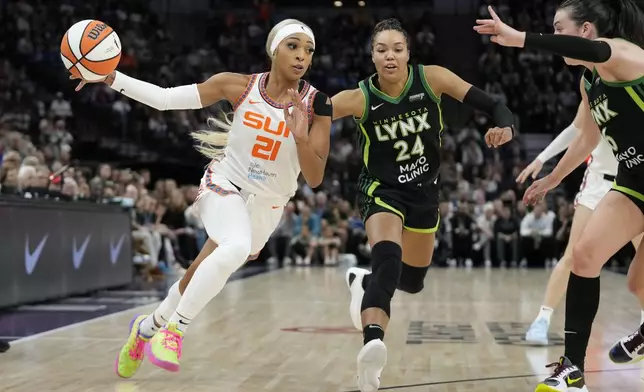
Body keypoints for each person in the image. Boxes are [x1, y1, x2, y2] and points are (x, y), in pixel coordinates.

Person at [69, 19, 333, 377]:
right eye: (293, 46)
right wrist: (112, 78)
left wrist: (300, 137)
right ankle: (176, 330)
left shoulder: (317, 104)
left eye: (309, 50)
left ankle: (146, 329)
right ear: (274, 49)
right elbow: (164, 99)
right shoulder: (238, 86)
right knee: (236, 246)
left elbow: (315, 178)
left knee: (197, 274)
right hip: (225, 184)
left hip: (268, 206)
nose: (302, 56)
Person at [330, 18, 515, 392]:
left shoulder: (432, 79)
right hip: (381, 190)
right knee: (387, 259)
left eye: (397, 48)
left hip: (424, 193)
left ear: (408, 53)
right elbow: (311, 112)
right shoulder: (360, 97)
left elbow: (493, 104)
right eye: (381, 50)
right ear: (372, 56)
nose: (390, 56)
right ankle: (372, 346)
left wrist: (506, 126)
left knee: (412, 282)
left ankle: (361, 281)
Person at [475, 1, 644, 391]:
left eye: (558, 28)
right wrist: (551, 178)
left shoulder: (622, 52)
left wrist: (521, 38)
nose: (553, 34)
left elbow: (598, 50)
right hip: (634, 180)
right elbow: (587, 137)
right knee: (583, 256)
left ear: (585, 30)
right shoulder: (589, 82)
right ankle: (573, 370)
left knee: (637, 283)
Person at [518, 105, 644, 345]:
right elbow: (577, 129)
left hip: (636, 182)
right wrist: (541, 158)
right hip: (599, 183)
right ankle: (542, 319)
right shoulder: (593, 84)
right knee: (573, 256)